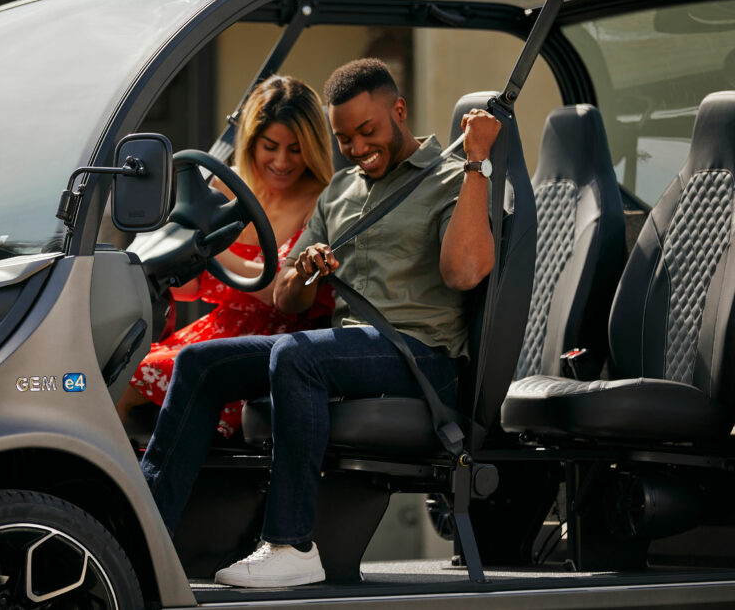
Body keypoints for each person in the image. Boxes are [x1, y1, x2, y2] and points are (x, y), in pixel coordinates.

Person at [140, 58, 499, 587]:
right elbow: (286, 298)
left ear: (399, 111)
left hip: (421, 357)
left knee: (297, 355)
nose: (356, 148)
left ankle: (291, 545)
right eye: (344, 138)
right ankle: (145, 535)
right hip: (349, 349)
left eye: (367, 131)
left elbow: (465, 271)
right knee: (199, 362)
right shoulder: (340, 192)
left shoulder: (450, 179)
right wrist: (305, 271)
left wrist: (476, 163)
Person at [117, 75, 335, 438]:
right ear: (251, 141)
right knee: (112, 365)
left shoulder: (323, 199)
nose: (282, 161)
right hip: (214, 330)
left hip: (280, 343)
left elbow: (280, 294)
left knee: (132, 379)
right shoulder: (223, 185)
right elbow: (189, 290)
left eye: (296, 149)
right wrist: (179, 250)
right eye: (270, 146)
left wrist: (213, 247)